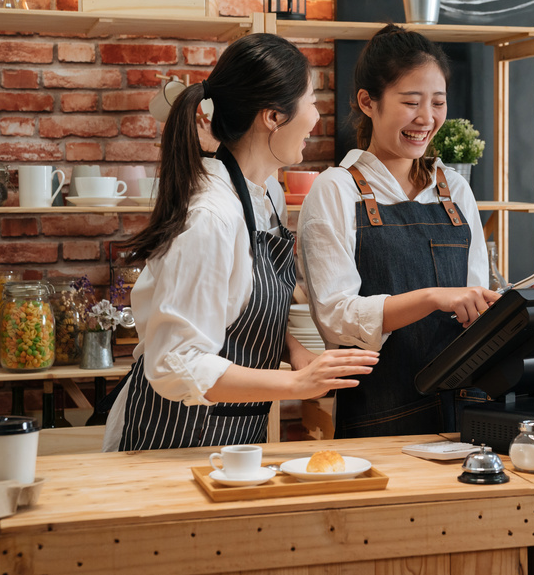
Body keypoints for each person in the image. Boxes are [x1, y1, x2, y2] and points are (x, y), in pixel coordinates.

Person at [103, 33, 378, 451]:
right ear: (272, 116)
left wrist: (293, 348)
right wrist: (297, 383)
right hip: (171, 441)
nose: (317, 117)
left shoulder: (267, 194)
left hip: (233, 441)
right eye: (310, 101)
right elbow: (176, 363)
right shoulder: (211, 218)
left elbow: (237, 306)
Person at [297, 25, 501, 439]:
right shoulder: (336, 189)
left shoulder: (455, 189)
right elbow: (337, 320)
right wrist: (429, 299)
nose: (426, 118)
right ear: (367, 102)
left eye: (438, 102)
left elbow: (473, 302)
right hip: (381, 418)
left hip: (468, 416)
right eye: (411, 102)